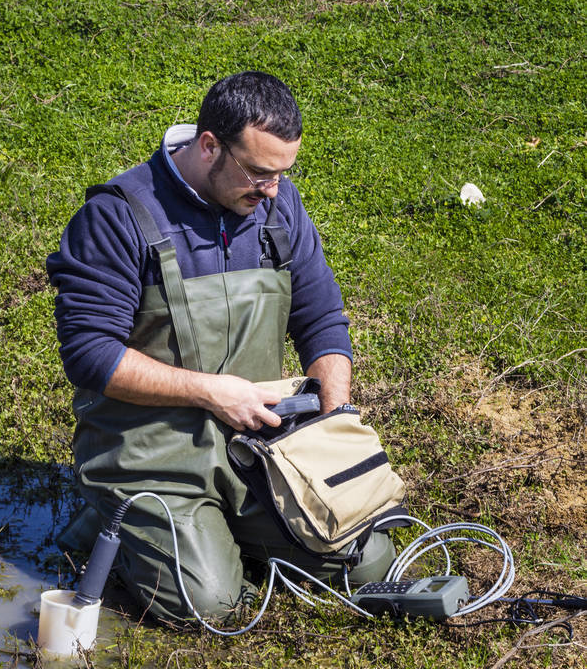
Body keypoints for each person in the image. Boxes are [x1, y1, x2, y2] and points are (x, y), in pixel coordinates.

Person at [47, 71, 394, 623]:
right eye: (258, 172)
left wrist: (334, 418)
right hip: (148, 453)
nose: (273, 190)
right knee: (209, 604)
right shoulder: (117, 218)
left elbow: (321, 317)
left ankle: (221, 531)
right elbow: (90, 355)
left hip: (257, 446)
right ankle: (110, 518)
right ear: (209, 145)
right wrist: (211, 393)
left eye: (284, 173)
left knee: (367, 561)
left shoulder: (277, 206)